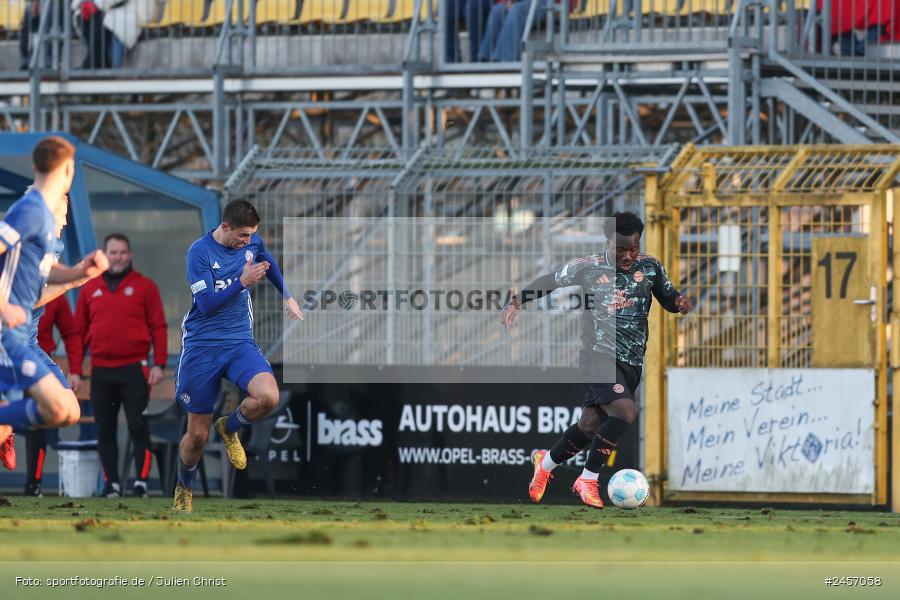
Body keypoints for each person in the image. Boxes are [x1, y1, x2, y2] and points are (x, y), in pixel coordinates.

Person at [500, 211, 694, 508]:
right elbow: (551, 281)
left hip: (632, 362)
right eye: (621, 249)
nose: (629, 256)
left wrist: (679, 303)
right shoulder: (587, 267)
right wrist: (518, 301)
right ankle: (588, 479)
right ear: (608, 243)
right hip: (598, 356)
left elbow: (667, 298)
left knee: (590, 425)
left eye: (634, 249)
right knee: (625, 411)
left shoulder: (650, 266)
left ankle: (545, 464)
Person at [172, 199, 303, 513]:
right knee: (197, 437)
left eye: (252, 235)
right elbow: (205, 305)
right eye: (243, 235)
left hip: (239, 342)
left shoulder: (250, 240)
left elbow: (265, 258)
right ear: (225, 227)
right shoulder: (199, 253)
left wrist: (287, 296)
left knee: (268, 397)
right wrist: (241, 282)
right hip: (202, 347)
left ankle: (229, 427)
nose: (249, 241)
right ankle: (183, 485)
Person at [0, 135, 109, 456]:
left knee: (65, 411)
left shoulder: (43, 218)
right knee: (56, 408)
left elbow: (46, 271)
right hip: (6, 335)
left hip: (20, 337)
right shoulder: (31, 210)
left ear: (35, 166)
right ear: (69, 170)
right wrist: (4, 306)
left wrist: (80, 273)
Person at [71, 233, 167, 498]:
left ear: (130, 255)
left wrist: (158, 363)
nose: (118, 257)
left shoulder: (146, 286)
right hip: (101, 370)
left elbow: (159, 327)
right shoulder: (90, 288)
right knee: (105, 428)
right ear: (105, 255)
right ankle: (111, 484)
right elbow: (77, 332)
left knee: (138, 425)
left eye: (123, 252)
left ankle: (141, 484)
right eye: (113, 252)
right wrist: (76, 370)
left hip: (134, 369)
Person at [22, 294, 83, 497]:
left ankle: (34, 484)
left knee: (64, 414)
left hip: (35, 361)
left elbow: (70, 332)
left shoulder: (51, 282)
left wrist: (75, 369)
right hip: (9, 355)